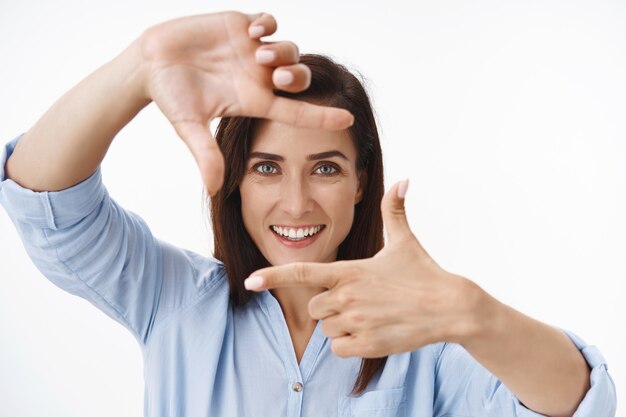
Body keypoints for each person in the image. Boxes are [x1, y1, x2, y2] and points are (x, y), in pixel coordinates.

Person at [0, 10, 616, 417]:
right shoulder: (171, 298)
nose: (296, 203)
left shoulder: (429, 338)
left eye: (325, 168)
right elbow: (44, 196)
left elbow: (579, 402)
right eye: (267, 167)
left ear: (359, 184)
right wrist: (137, 69)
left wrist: (471, 312)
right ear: (234, 182)